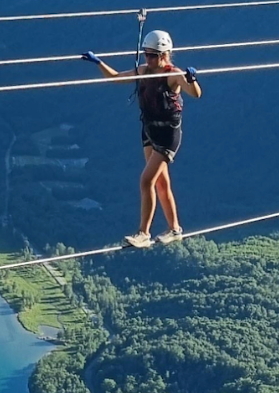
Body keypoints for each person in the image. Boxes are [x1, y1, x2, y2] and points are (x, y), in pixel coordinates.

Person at [81, 29, 201, 248]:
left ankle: (143, 233)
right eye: (146, 54)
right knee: (162, 183)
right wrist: (98, 63)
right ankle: (175, 229)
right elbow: (116, 79)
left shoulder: (172, 74)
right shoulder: (144, 70)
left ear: (165, 54)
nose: (148, 58)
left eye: (153, 55)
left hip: (167, 136)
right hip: (149, 131)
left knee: (146, 181)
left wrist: (191, 80)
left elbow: (195, 93)